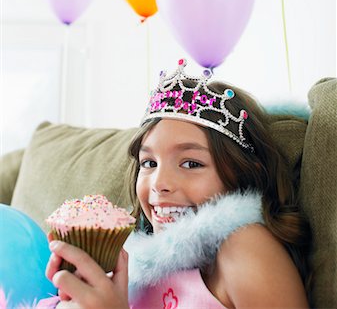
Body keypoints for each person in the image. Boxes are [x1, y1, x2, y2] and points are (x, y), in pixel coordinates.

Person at [46, 59, 312, 308]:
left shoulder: (246, 246)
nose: (159, 183)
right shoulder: (134, 262)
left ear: (242, 175)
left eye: (191, 163)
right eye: (149, 163)